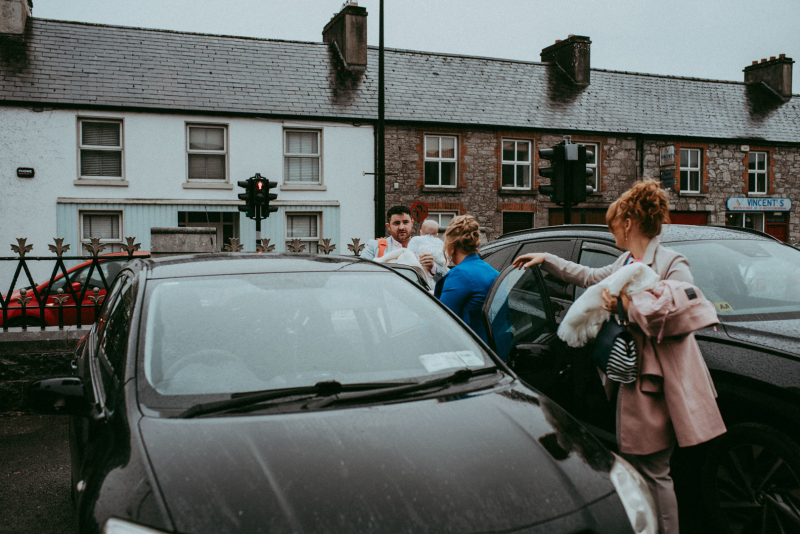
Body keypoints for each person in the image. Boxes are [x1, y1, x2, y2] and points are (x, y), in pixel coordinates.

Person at [512, 180, 725, 534]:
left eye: (612, 224)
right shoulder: (627, 260)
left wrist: (627, 306)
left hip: (657, 383)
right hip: (631, 377)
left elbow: (682, 314)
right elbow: (590, 277)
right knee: (641, 467)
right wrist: (546, 259)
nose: (611, 231)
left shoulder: (671, 262)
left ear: (627, 223)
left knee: (655, 472)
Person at [434, 215, 498, 343]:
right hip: (494, 346)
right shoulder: (492, 271)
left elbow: (441, 321)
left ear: (451, 247)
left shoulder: (459, 275)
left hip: (474, 349)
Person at [362, 205, 436, 274]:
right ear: (388, 226)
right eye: (396, 223)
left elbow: (443, 275)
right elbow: (361, 270)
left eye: (405, 222)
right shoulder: (374, 246)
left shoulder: (423, 246)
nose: (401, 227)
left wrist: (432, 267)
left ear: (412, 223)